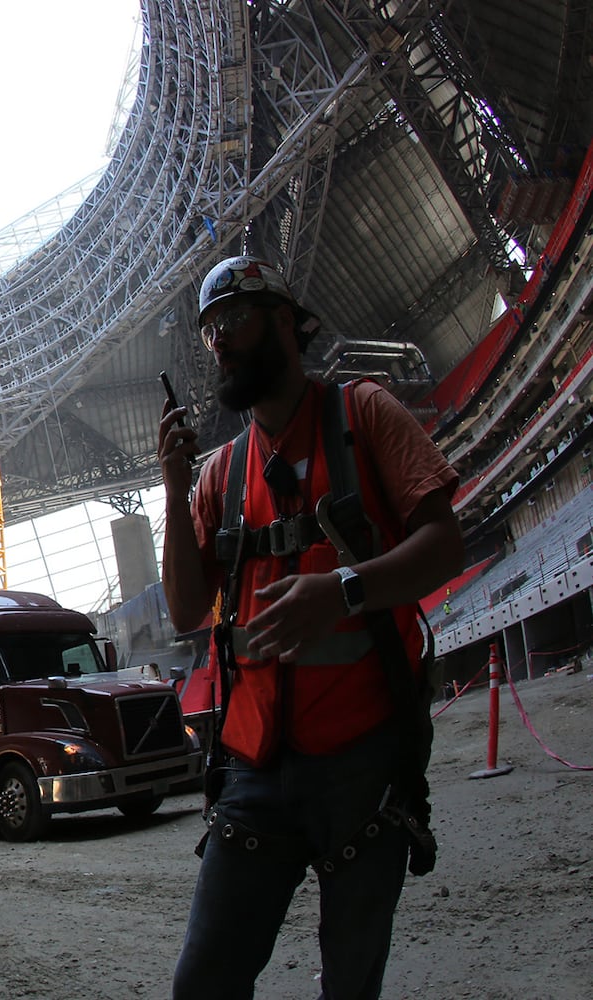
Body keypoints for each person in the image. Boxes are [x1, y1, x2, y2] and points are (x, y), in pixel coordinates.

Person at [158, 255, 463, 999]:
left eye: (233, 318)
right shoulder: (220, 475)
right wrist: (173, 488)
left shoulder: (362, 415)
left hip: (365, 761)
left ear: (288, 323)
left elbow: (445, 543)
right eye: (209, 330)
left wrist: (346, 590)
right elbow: (187, 610)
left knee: (350, 985)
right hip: (253, 767)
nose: (220, 341)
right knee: (203, 982)